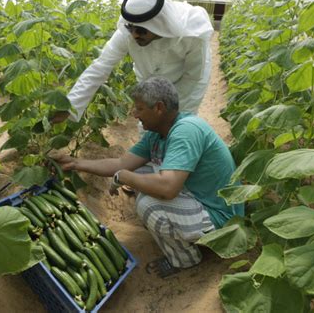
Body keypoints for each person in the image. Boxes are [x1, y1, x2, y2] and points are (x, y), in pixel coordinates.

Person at [51, 77, 244, 278]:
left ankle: (185, 259)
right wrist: (74, 163)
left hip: (221, 218)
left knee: (148, 205)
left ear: (159, 108)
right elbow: (120, 165)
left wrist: (126, 178)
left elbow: (168, 188)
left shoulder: (186, 130)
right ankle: (177, 229)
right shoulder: (157, 133)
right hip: (198, 196)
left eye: (139, 109)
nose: (134, 114)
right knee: (140, 176)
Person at [51, 0, 213, 124]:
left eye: (141, 30)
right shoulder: (127, 34)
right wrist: (70, 106)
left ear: (160, 26)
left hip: (186, 85)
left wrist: (165, 110)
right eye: (130, 28)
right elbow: (100, 67)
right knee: (148, 125)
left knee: (179, 124)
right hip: (149, 79)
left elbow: (192, 77)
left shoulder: (192, 34)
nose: (134, 35)